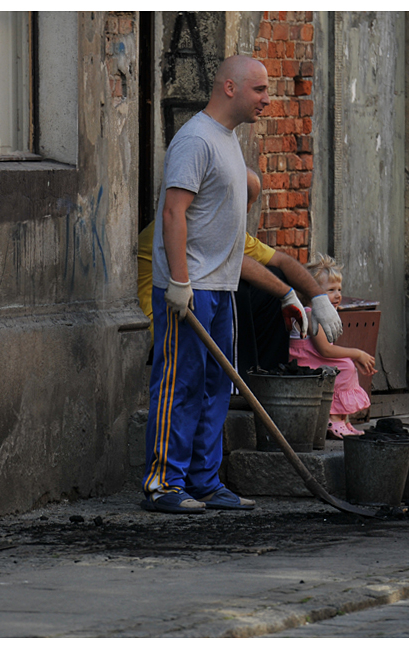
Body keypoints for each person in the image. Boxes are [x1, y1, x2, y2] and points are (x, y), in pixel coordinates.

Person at [143, 55, 268, 515]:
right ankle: (164, 482)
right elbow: (174, 212)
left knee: (217, 385)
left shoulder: (228, 140)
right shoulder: (195, 139)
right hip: (188, 288)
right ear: (230, 88)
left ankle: (204, 480)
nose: (268, 100)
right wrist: (178, 282)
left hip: (222, 287)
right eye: (259, 90)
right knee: (181, 383)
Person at [137, 169, 342, 362]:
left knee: (274, 275)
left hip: (196, 317)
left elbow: (282, 261)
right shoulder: (187, 225)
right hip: (164, 327)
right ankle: (240, 383)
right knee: (242, 287)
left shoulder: (224, 230)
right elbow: (236, 264)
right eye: (247, 203)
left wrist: (318, 297)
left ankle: (265, 378)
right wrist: (287, 294)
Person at [289, 254, 376, 439]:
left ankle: (343, 419)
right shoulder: (311, 314)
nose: (338, 295)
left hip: (313, 358)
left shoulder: (323, 314)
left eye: (339, 289)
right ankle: (333, 419)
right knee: (344, 367)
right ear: (311, 291)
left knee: (346, 366)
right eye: (330, 290)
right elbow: (325, 350)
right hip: (304, 362)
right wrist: (357, 354)